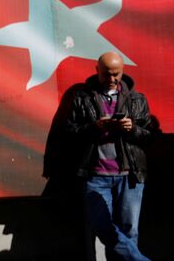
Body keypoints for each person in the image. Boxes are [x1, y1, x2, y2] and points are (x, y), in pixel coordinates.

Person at [62, 51, 151, 260]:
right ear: (97, 71)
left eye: (116, 74)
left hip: (130, 176)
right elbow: (68, 133)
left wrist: (133, 129)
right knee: (103, 227)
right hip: (96, 176)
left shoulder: (137, 99)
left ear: (123, 72)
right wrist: (94, 127)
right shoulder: (82, 98)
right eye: (106, 74)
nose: (111, 79)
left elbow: (150, 136)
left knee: (129, 231)